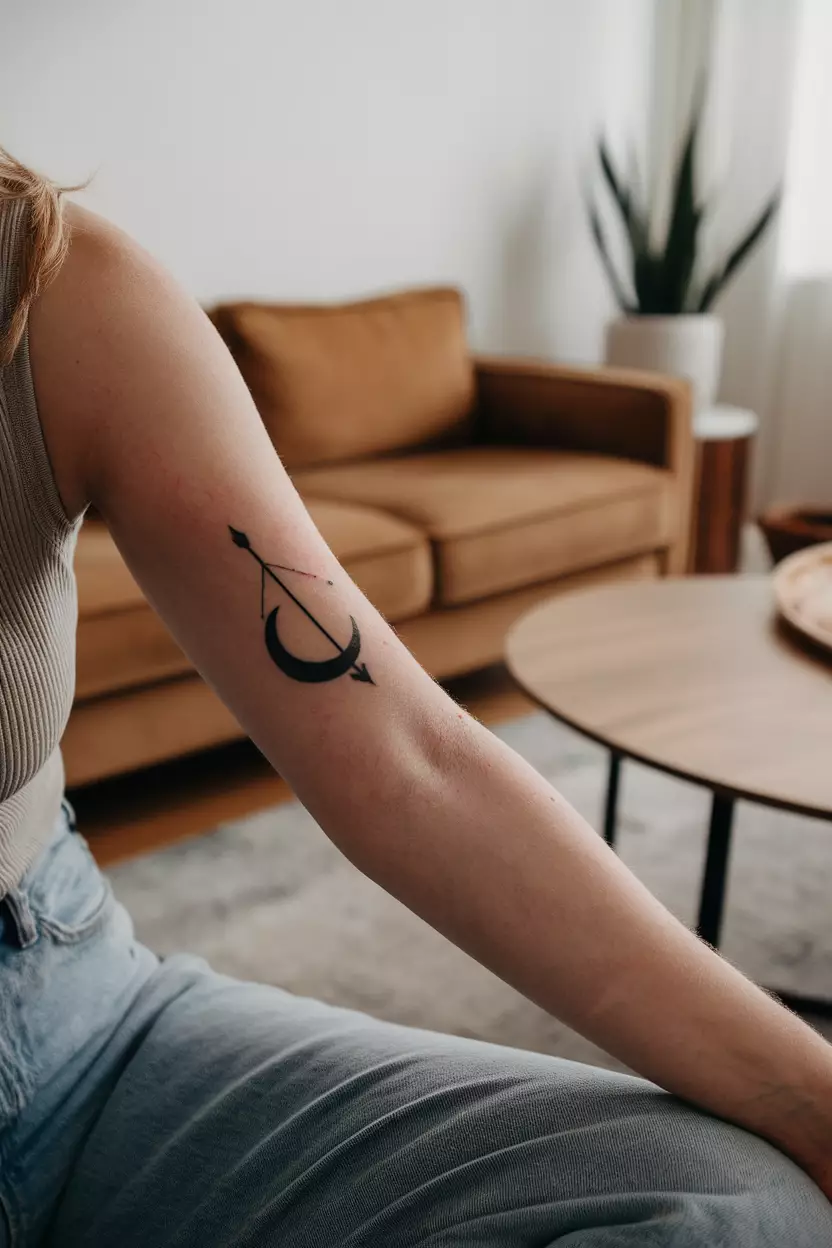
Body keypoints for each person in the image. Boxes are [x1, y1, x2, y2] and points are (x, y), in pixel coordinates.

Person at [0, 146, 830, 1248]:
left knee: (726, 1208)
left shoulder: (51, 281)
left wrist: (813, 1103)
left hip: (69, 1007)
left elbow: (410, 755)